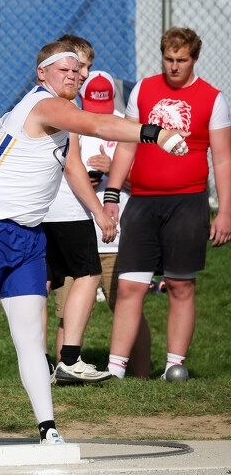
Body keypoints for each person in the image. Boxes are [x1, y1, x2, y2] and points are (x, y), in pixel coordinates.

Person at [0, 40, 189, 448]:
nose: (73, 75)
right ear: (42, 73)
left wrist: (98, 210)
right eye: (64, 69)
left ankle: (48, 429)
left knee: (30, 338)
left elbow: (71, 165)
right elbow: (99, 125)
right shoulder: (43, 104)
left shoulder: (62, 114)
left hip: (28, 236)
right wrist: (156, 132)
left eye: (77, 70)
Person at [104, 27, 231, 380]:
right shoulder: (143, 90)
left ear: (195, 59)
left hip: (188, 203)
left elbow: (223, 159)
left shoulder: (213, 99)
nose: (174, 66)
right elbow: (126, 144)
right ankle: (115, 371)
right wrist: (112, 194)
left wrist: (225, 211)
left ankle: (174, 367)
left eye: (182, 60)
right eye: (168, 59)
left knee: (180, 285)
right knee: (129, 286)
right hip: (142, 202)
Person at [41, 35, 113, 385]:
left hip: (37, 209)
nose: (82, 74)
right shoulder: (63, 103)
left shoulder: (34, 100)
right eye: (77, 67)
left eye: (85, 67)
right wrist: (99, 210)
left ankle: (38, 361)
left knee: (38, 285)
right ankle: (69, 360)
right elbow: (71, 165)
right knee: (88, 274)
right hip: (65, 209)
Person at [79, 70, 150, 378]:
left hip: (120, 234)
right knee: (71, 311)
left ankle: (142, 376)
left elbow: (147, 182)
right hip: (81, 230)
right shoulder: (73, 123)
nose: (100, 114)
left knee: (127, 307)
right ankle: (66, 368)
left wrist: (114, 173)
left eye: (104, 106)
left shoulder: (127, 127)